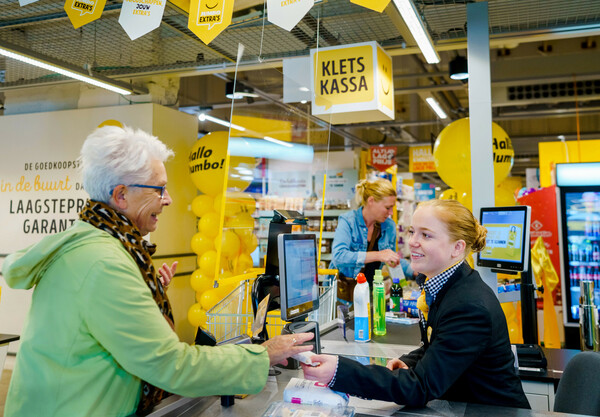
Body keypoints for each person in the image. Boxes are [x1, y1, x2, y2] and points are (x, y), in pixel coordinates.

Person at [2, 125, 313, 417]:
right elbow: (169, 364)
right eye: (159, 189)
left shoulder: (97, 244)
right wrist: (263, 354)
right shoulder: (103, 262)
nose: (168, 200)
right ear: (121, 195)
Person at [303, 199, 530, 409]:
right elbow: (436, 347)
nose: (412, 242)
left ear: (457, 248)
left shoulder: (469, 306)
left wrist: (339, 371)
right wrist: (405, 362)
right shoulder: (447, 286)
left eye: (426, 235)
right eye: (413, 232)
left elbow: (419, 387)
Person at [331, 178, 413, 293]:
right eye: (387, 207)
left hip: (370, 291)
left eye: (392, 208)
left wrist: (414, 270)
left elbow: (392, 258)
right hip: (342, 292)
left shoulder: (388, 226)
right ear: (371, 201)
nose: (391, 213)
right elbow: (339, 257)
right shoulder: (348, 221)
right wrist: (378, 255)